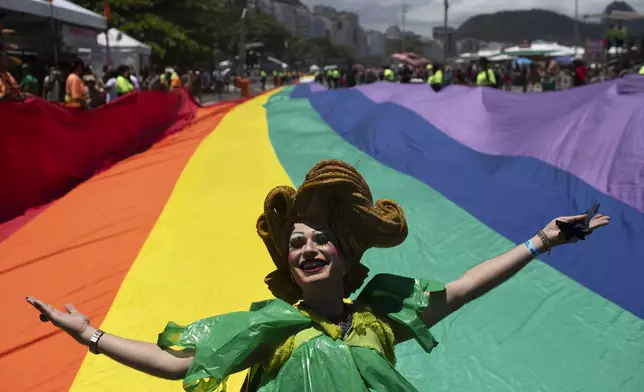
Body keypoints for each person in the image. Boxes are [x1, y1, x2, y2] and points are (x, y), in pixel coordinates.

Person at [26, 160, 610, 392]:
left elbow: (462, 287)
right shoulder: (270, 328)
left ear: (347, 255)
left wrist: (540, 242)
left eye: (318, 239)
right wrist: (89, 337)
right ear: (288, 267)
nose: (305, 248)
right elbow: (178, 363)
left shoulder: (381, 317)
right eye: (294, 243)